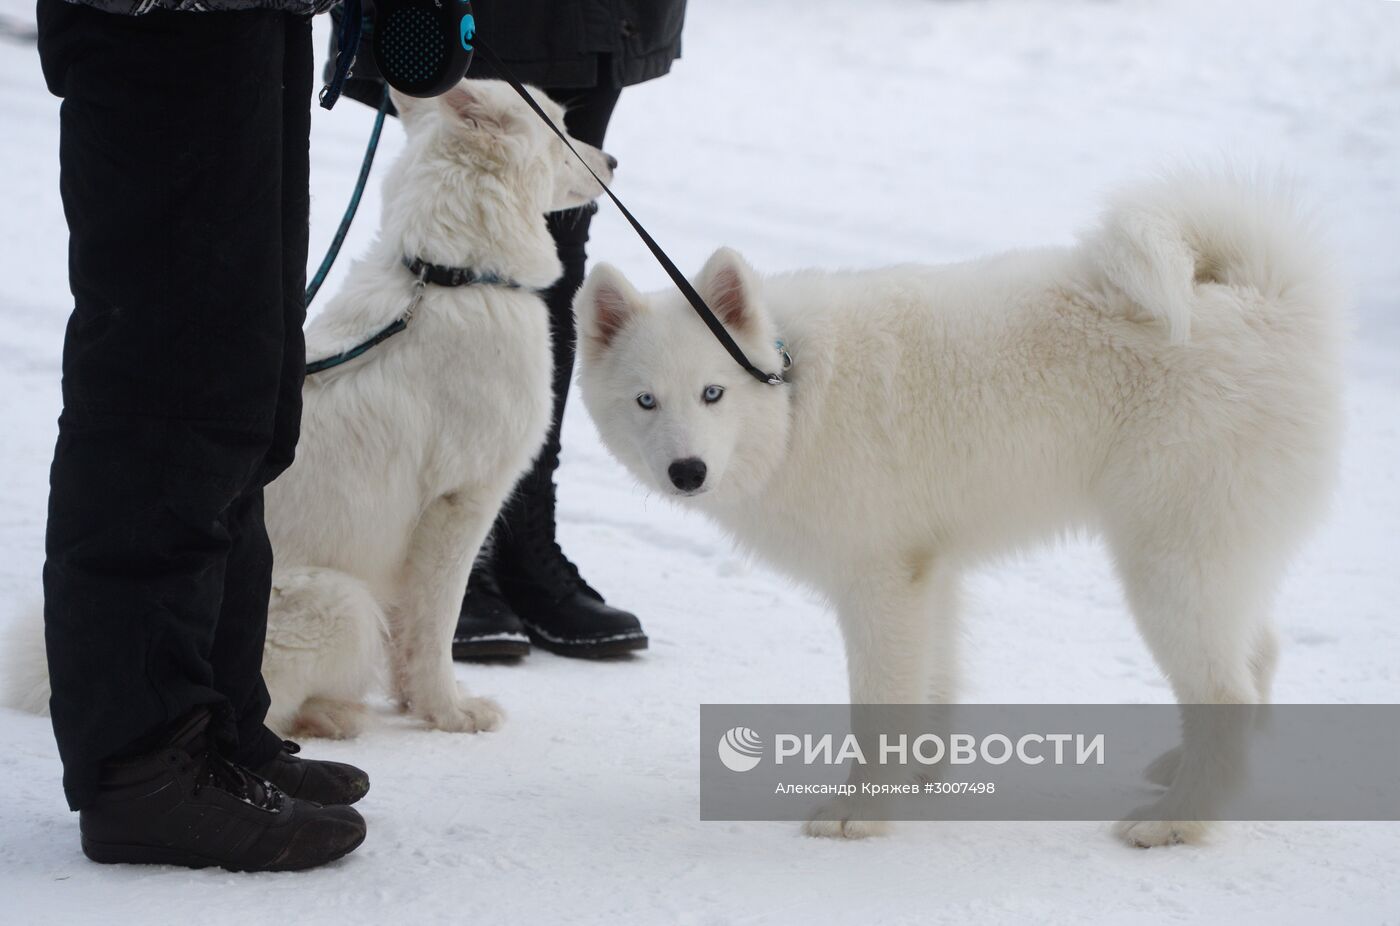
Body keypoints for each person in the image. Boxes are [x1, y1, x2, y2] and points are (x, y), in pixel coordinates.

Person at [37, 0, 370, 870]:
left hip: (250, 18)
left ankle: (214, 724)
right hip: (155, 26)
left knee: (245, 392)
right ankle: (145, 764)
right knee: (169, 386)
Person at [330, 0, 688, 660]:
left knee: (551, 240)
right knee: (452, 231)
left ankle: (522, 542)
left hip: (597, 16)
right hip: (485, 12)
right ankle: (434, 560)